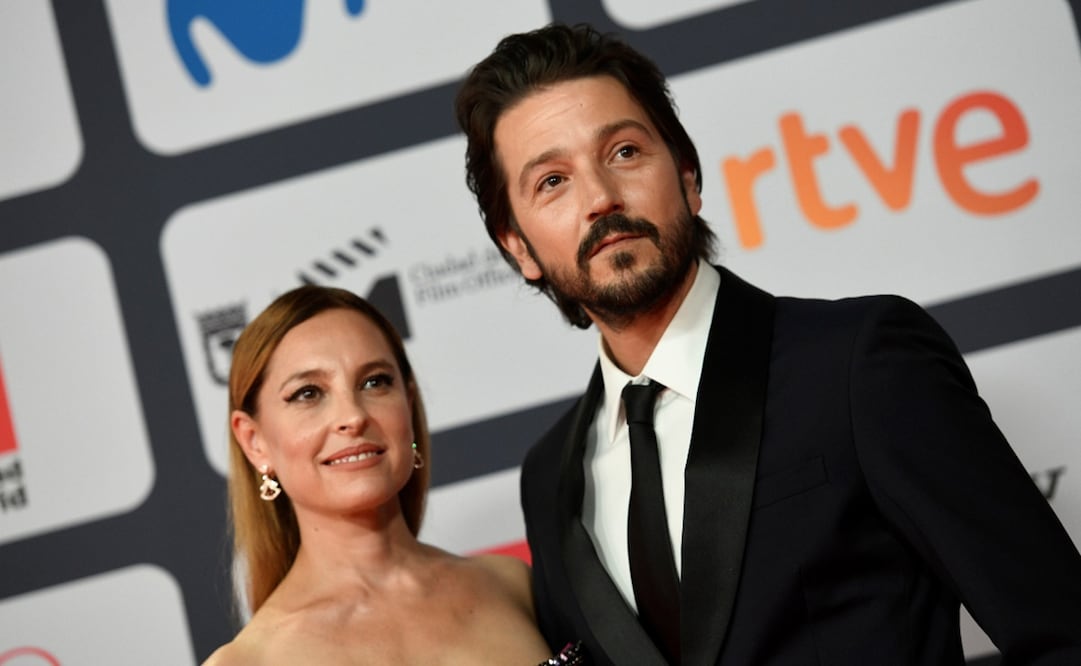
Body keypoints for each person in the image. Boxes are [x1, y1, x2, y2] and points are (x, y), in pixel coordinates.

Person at [454, 23, 1081, 665]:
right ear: (519, 248)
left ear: (690, 178)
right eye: (551, 181)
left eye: (624, 152)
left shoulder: (860, 364)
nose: (600, 198)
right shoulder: (549, 477)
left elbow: (1063, 633)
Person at [202, 285, 579, 665]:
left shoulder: (512, 585)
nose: (352, 416)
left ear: (408, 404)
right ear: (255, 442)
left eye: (375, 382)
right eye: (308, 393)